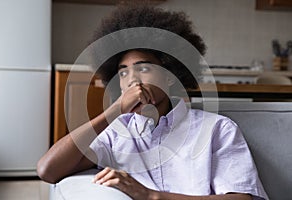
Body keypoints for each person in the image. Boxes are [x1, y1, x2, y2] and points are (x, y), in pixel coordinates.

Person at [37, 3, 268, 200]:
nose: (132, 80)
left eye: (144, 68)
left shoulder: (216, 129)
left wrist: (150, 196)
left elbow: (241, 198)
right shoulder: (116, 135)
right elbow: (47, 170)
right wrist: (115, 111)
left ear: (169, 76)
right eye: (123, 73)